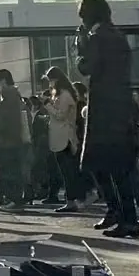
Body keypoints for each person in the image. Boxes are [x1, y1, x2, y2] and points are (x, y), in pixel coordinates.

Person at [75, 0, 139, 239]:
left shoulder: (98, 37)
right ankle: (118, 212)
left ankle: (128, 219)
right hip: (119, 106)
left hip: (105, 109)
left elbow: (86, 67)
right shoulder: (117, 36)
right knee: (110, 164)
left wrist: (81, 47)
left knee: (107, 165)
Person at [0, 71, 30, 210]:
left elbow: (6, 121)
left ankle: (14, 199)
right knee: (9, 171)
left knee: (10, 172)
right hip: (9, 141)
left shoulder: (8, 96)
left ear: (3, 81)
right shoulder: (11, 96)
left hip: (8, 142)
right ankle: (12, 199)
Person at [44, 67, 82, 212]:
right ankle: (71, 199)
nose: (50, 84)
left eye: (51, 80)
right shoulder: (59, 94)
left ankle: (72, 200)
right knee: (65, 171)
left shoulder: (65, 95)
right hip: (59, 136)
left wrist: (48, 105)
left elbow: (61, 115)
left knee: (68, 171)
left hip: (65, 137)